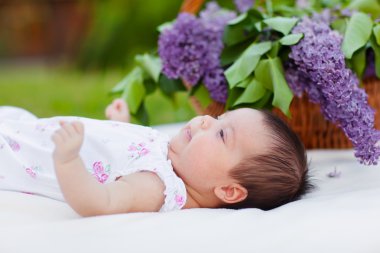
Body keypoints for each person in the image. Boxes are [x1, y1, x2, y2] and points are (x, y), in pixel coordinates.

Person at [0, 99, 313, 216]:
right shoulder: (174, 158)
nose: (206, 120)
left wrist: (68, 160)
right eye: (220, 117)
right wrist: (120, 125)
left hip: (16, 156)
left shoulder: (158, 186)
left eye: (221, 134)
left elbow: (100, 201)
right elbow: (122, 159)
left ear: (228, 190)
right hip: (26, 129)